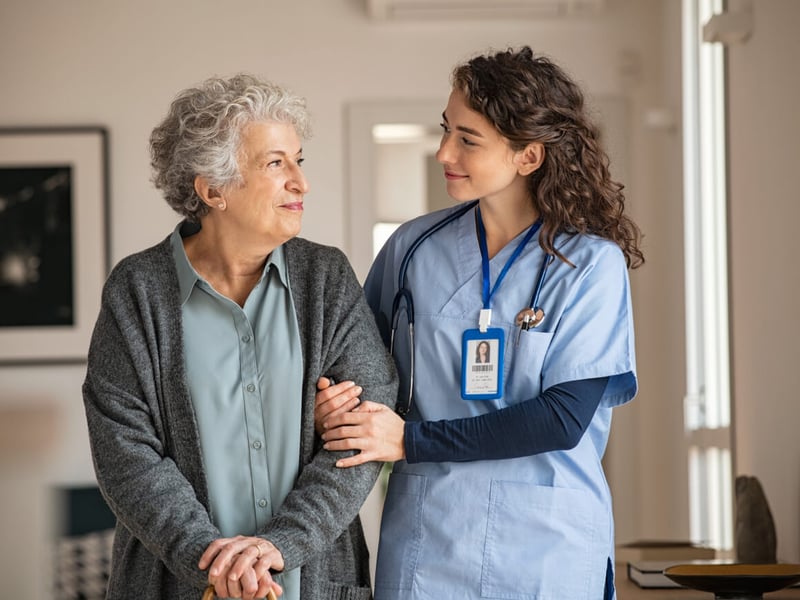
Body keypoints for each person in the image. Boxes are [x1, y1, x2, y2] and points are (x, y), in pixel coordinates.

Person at [315, 46, 643, 599]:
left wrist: (409, 441)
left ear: (528, 156)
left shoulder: (589, 265)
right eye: (447, 130)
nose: (444, 151)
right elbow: (357, 366)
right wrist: (337, 401)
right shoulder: (411, 249)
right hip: (429, 540)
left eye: (468, 139)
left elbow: (562, 419)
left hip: (547, 546)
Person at [82, 73, 397, 600]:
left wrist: (280, 546)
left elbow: (364, 430)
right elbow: (125, 453)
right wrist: (214, 564)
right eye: (276, 163)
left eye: (299, 160)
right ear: (212, 189)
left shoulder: (326, 278)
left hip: (314, 582)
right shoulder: (136, 291)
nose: (301, 182)